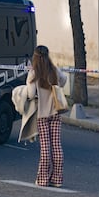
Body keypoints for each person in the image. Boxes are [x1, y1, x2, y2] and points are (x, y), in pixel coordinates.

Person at [26, 45, 67, 187]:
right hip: (56, 112)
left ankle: (42, 179)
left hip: (42, 114)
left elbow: (30, 94)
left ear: (35, 57)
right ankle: (57, 179)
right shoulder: (54, 70)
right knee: (56, 145)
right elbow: (64, 80)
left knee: (45, 148)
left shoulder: (34, 73)